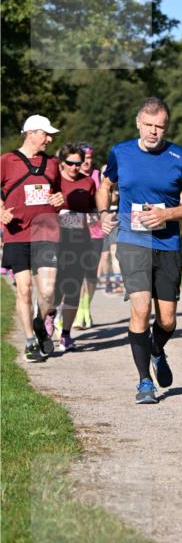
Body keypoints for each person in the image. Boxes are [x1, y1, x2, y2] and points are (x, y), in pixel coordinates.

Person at [98, 96, 182, 404]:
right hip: (133, 240)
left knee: (168, 320)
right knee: (141, 309)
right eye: (148, 125)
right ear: (138, 123)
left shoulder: (179, 157)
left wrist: (167, 215)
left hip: (168, 243)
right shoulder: (121, 152)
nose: (154, 131)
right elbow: (105, 186)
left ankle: (157, 350)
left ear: (166, 127)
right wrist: (104, 213)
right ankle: (145, 381)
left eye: (160, 126)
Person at [0, 115, 64, 361]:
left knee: (48, 293)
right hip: (17, 234)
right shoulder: (7, 161)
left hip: (46, 232)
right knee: (24, 290)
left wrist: (59, 200)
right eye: (45, 134)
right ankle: (29, 342)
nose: (49, 139)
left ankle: (40, 323)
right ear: (31, 133)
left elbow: (57, 194)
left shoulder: (52, 164)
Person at [54, 143, 97, 352]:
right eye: (70, 163)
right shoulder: (54, 181)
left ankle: (65, 334)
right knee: (54, 287)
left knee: (73, 287)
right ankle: (47, 318)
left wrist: (98, 217)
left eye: (78, 163)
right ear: (62, 163)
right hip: (55, 240)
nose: (74, 167)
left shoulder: (88, 182)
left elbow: (92, 210)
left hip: (80, 240)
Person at [72, 142, 104, 330]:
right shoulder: (70, 176)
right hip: (74, 231)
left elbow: (109, 199)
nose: (86, 161)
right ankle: (76, 311)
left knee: (91, 274)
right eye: (84, 157)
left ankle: (85, 307)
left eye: (90, 157)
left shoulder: (98, 175)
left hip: (95, 230)